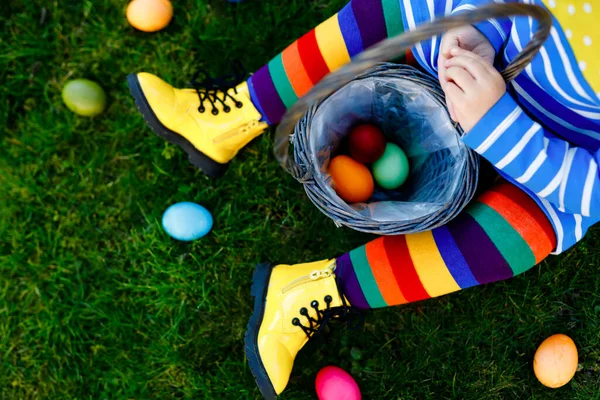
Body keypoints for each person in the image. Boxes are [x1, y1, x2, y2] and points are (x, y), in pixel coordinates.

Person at [127, 0, 600, 398]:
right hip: (479, 50)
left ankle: (311, 290)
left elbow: (591, 191)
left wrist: (500, 130)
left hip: (558, 151)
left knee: (524, 234)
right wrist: (474, 25)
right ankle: (228, 119)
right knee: (392, 8)